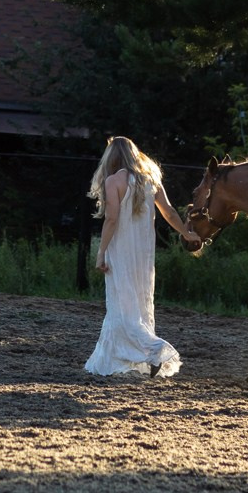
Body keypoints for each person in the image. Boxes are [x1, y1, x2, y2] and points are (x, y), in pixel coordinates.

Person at [84, 136, 197, 378]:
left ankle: (155, 349)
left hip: (121, 250)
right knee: (138, 305)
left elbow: (112, 219)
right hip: (144, 255)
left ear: (111, 157)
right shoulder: (151, 179)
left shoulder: (113, 181)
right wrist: (186, 233)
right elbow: (169, 212)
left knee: (121, 307)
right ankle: (129, 359)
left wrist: (101, 252)